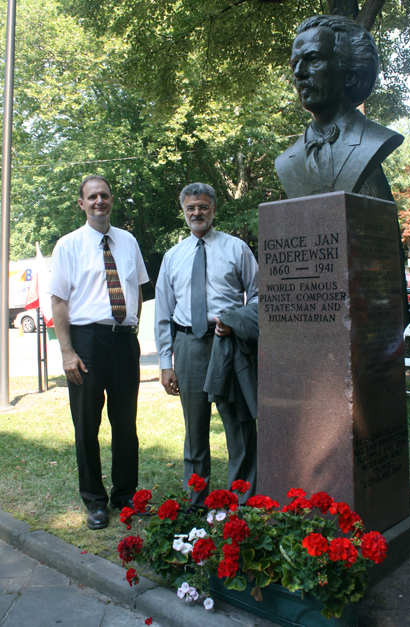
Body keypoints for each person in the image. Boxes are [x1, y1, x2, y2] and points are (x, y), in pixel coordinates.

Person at [49, 175, 149, 530]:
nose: (99, 202)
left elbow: (137, 287)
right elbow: (58, 302)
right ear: (81, 203)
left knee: (125, 423)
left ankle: (125, 495)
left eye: (104, 195)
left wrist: (132, 326)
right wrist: (67, 352)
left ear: (111, 199)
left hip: (123, 340)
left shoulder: (128, 240)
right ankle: (94, 501)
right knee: (86, 426)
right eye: (92, 197)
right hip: (86, 342)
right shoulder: (68, 245)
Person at [154, 182, 258, 508]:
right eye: (191, 208)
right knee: (195, 429)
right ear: (183, 212)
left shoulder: (236, 249)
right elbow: (162, 311)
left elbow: (259, 297)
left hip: (228, 346)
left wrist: (235, 320)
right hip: (189, 345)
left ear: (213, 209)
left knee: (238, 425)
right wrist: (165, 362)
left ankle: (242, 501)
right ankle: (197, 501)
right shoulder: (173, 256)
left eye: (203, 206)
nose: (197, 212)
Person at [275, 14, 404, 200]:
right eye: (295, 64)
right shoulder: (285, 161)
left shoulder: (375, 140)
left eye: (314, 59)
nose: (298, 73)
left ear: (350, 73)